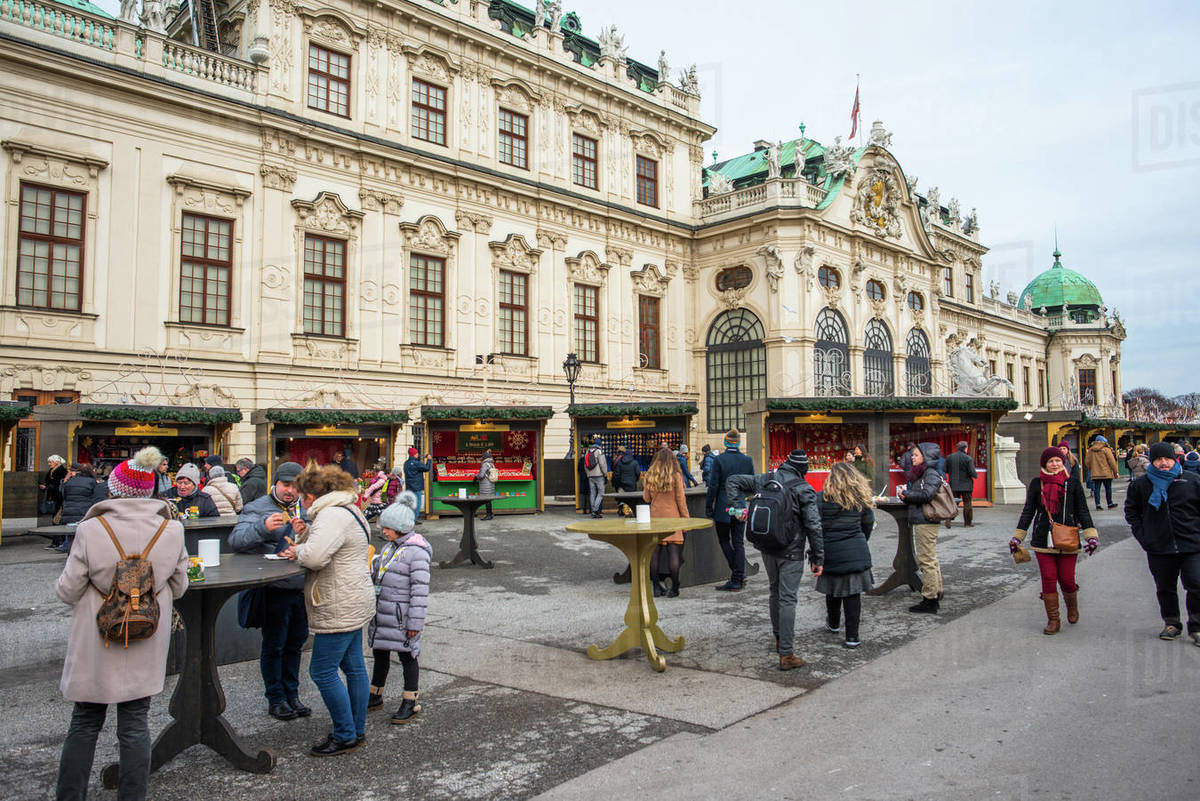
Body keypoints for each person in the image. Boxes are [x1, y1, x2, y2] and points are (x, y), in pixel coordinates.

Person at [54, 446, 188, 801]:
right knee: (135, 724)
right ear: (150, 491)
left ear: (113, 488)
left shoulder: (90, 529)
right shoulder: (171, 530)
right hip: (145, 635)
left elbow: (68, 591)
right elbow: (180, 585)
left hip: (97, 639)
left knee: (84, 723)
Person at [279, 466, 375, 756]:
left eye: (301, 498)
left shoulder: (330, 515)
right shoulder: (348, 509)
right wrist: (306, 533)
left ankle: (345, 733)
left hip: (337, 601)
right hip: (354, 595)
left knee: (321, 670)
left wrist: (298, 551)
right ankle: (355, 730)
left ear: (310, 496)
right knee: (354, 666)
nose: (300, 503)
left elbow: (317, 557)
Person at [229, 461, 314, 722]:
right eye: (286, 485)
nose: (290, 491)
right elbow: (236, 540)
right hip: (274, 589)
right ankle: (275, 698)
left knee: (295, 644)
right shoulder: (257, 508)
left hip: (300, 587)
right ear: (275, 483)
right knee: (275, 645)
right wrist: (262, 527)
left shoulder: (307, 508)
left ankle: (293, 695)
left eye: (295, 486)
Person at [725, 449, 824, 670]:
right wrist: (818, 556)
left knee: (774, 591)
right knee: (788, 598)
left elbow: (733, 481)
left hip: (767, 546)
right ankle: (786, 654)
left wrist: (738, 508)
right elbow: (814, 525)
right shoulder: (803, 488)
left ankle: (780, 639)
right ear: (803, 470)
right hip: (791, 551)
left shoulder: (766, 479)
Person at [1010, 447, 1099, 635]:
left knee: (1067, 579)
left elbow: (1082, 510)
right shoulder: (1037, 484)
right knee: (1049, 579)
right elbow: (1028, 511)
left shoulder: (1073, 483)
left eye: (1058, 461)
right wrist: (1018, 537)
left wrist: (1090, 536)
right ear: (1044, 464)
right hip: (1043, 539)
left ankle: (1072, 607)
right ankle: (1053, 619)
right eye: (1051, 461)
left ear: (1063, 461)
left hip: (1068, 538)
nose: (1054, 464)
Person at [1124, 441, 1200, 644]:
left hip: (1192, 544)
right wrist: (1144, 536)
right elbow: (1132, 512)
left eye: (1167, 458)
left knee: (1196, 584)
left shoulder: (1191, 480)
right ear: (1153, 461)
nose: (1163, 463)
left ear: (1174, 459)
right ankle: (1172, 623)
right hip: (1158, 546)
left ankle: (1197, 626)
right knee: (1165, 587)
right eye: (1159, 459)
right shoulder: (1141, 484)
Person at [367, 492, 431, 724]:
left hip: (402, 618)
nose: (383, 531)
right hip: (384, 614)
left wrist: (415, 623)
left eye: (388, 528)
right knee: (380, 652)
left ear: (401, 528)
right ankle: (375, 695)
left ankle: (410, 699)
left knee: (407, 656)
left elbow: (420, 591)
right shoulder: (389, 548)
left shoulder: (416, 553)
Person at [816, 462, 875, 648]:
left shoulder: (820, 499)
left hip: (830, 549)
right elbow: (868, 523)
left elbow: (814, 526)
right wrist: (860, 541)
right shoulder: (860, 499)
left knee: (832, 588)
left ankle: (833, 623)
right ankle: (852, 636)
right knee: (852, 593)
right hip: (856, 548)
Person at [706, 428, 755, 591]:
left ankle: (737, 576)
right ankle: (739, 575)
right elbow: (751, 485)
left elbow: (713, 485)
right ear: (739, 442)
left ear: (726, 442)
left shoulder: (719, 460)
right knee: (739, 542)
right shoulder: (747, 460)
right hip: (739, 506)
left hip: (724, 506)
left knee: (724, 540)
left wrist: (709, 506)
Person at [899, 442, 946, 614]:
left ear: (925, 457)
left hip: (925, 520)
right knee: (930, 558)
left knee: (926, 559)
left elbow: (927, 495)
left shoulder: (930, 473)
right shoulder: (922, 474)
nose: (912, 457)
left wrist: (908, 495)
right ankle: (936, 591)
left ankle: (930, 598)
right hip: (923, 519)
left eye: (916, 455)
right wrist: (908, 497)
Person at [643, 447, 690, 598]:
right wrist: (686, 520)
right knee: (673, 553)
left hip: (655, 517)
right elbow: (680, 501)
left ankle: (656, 587)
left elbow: (646, 499)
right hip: (673, 518)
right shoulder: (676, 476)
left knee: (654, 554)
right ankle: (675, 588)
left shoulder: (650, 475)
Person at [55, 463, 99, 554]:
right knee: (83, 534)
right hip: (85, 511)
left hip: (69, 511)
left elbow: (64, 494)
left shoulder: (70, 481)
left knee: (71, 533)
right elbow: (95, 496)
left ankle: (69, 551)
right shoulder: (92, 482)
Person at [943, 441, 978, 528]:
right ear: (965, 448)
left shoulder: (949, 457)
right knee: (967, 504)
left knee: (953, 503)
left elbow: (944, 469)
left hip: (954, 484)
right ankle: (967, 523)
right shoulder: (968, 458)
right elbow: (972, 473)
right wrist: (974, 475)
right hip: (966, 485)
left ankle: (948, 518)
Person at [1085, 435, 1119, 510]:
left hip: (1095, 474)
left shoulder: (1091, 450)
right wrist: (1115, 472)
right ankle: (1109, 503)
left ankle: (1098, 505)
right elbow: (1112, 462)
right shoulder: (1106, 449)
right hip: (1106, 473)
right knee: (1108, 489)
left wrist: (1092, 469)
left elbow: (1087, 462)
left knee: (1096, 489)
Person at [609, 445, 641, 516]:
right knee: (632, 499)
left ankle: (623, 511)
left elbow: (617, 474)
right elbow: (638, 473)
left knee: (623, 499)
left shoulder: (620, 462)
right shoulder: (635, 463)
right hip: (632, 484)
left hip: (622, 484)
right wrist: (635, 479)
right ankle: (631, 512)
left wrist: (617, 483)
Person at [40, 454, 68, 533]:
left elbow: (59, 484)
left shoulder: (62, 471)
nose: (49, 464)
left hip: (59, 496)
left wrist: (47, 487)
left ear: (56, 462)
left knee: (57, 514)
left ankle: (57, 535)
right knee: (54, 514)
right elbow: (48, 482)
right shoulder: (51, 471)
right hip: (53, 495)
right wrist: (45, 486)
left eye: (50, 462)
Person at [402, 449, 432, 523]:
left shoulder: (406, 463)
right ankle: (413, 520)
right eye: (416, 453)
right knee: (417, 504)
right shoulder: (416, 463)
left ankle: (409, 519)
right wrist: (429, 460)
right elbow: (427, 468)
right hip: (417, 487)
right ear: (414, 454)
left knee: (410, 504)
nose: (418, 454)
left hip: (409, 486)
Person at [583, 436, 609, 519]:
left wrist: (588, 474)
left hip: (590, 476)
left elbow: (585, 465)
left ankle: (593, 511)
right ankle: (595, 509)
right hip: (599, 475)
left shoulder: (587, 451)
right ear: (600, 444)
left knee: (593, 493)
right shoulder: (599, 451)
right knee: (601, 493)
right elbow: (602, 464)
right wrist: (605, 473)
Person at [475, 449, 497, 520]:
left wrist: (476, 477)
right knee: (488, 500)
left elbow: (481, 475)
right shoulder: (492, 464)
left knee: (487, 500)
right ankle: (490, 513)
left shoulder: (485, 464)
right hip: (491, 484)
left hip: (485, 484)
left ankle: (489, 515)